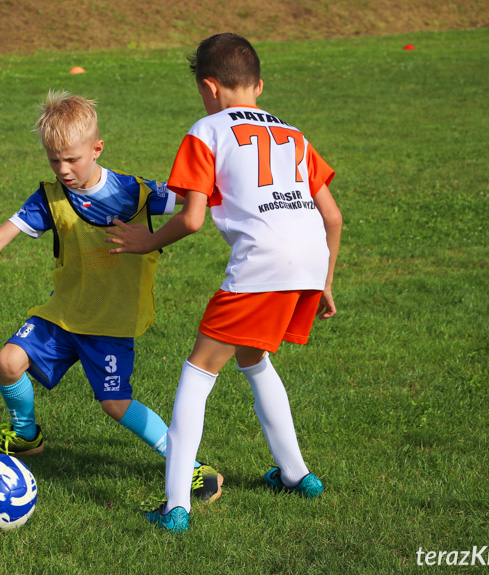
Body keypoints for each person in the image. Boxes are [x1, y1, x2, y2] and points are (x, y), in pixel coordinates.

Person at [107, 33, 342, 532]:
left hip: (263, 265)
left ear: (209, 87)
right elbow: (333, 216)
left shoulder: (207, 129)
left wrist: (146, 243)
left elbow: (191, 218)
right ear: (258, 85)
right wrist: (324, 280)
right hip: (309, 264)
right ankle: (297, 476)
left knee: (198, 371)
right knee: (253, 357)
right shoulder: (294, 133)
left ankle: (175, 506)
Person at [0, 90, 223, 502]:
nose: (63, 169)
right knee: (8, 361)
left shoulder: (136, 193)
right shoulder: (51, 197)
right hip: (63, 314)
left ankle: (189, 465)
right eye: (54, 160)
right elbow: (1, 234)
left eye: (72, 159)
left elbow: (195, 197)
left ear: (97, 148)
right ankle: (26, 436)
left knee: (115, 404)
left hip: (109, 322)